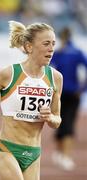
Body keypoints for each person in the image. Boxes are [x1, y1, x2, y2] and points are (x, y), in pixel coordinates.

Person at [0, 21, 63, 180]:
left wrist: (50, 117)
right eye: (46, 43)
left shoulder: (56, 78)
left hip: (34, 154)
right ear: (29, 47)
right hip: (6, 149)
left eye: (53, 44)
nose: (51, 48)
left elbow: (57, 119)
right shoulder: (9, 73)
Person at [51, 27, 87, 171]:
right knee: (67, 124)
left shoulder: (58, 53)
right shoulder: (77, 52)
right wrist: (82, 89)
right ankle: (64, 156)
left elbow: (47, 69)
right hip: (73, 93)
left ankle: (61, 154)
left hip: (59, 93)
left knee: (60, 123)